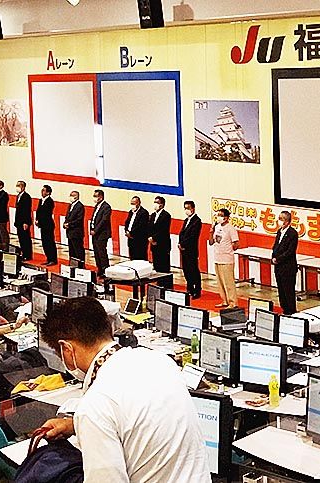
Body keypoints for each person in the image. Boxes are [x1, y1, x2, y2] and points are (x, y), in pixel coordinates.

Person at [37, 297, 211, 482]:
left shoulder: (95, 404)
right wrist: (76, 425)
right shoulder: (159, 360)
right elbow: (141, 422)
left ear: (66, 349)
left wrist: (86, 422)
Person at [209, 208, 240, 309]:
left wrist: (229, 248)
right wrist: (211, 232)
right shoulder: (217, 227)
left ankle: (233, 302)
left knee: (228, 282)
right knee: (220, 282)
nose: (218, 217)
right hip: (217, 257)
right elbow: (211, 242)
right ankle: (224, 300)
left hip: (227, 259)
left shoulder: (231, 229)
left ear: (226, 218)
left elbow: (236, 244)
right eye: (218, 215)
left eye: (221, 215)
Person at [271, 211, 298, 315]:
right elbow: (276, 246)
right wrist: (273, 257)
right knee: (281, 291)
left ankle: (291, 311)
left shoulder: (292, 233)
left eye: (281, 219)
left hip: (288, 267)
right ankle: (285, 310)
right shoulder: (279, 231)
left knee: (288, 291)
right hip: (278, 267)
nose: (279, 221)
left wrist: (278, 259)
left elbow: (290, 251)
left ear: (287, 221)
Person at [178, 200, 202, 299]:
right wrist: (180, 243)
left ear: (193, 209)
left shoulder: (197, 221)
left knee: (193, 270)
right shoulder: (186, 220)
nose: (186, 210)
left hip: (191, 249)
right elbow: (182, 233)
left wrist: (184, 244)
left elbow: (193, 236)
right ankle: (189, 288)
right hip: (183, 249)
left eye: (188, 208)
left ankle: (197, 290)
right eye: (185, 208)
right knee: (186, 269)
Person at [149, 196, 172, 286]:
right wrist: (150, 238)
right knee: (156, 265)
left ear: (162, 205)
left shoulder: (166, 215)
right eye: (154, 202)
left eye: (157, 202)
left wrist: (155, 238)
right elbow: (149, 227)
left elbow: (163, 230)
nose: (155, 204)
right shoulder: (153, 215)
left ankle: (166, 285)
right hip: (154, 245)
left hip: (163, 244)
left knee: (164, 266)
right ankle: (159, 284)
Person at [90, 189, 112, 276]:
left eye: (96, 196)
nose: (94, 198)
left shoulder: (106, 207)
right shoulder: (97, 206)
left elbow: (104, 221)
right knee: (96, 252)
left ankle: (105, 270)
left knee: (102, 253)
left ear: (101, 197)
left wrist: (95, 230)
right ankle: (99, 269)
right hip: (94, 233)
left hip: (102, 234)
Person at [36, 185, 58, 266]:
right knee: (44, 243)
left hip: (48, 225)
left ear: (48, 192)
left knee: (50, 242)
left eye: (44, 190)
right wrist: (37, 220)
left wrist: (41, 220)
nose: (42, 191)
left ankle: (53, 259)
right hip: (42, 225)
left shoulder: (49, 201)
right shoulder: (41, 200)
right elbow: (38, 211)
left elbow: (46, 213)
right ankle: (48, 258)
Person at [124, 196, 150, 261]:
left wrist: (131, 233)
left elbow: (141, 226)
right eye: (131, 203)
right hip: (130, 239)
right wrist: (126, 231)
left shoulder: (144, 213)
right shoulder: (131, 212)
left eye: (133, 203)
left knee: (140, 257)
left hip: (139, 239)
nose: (132, 205)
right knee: (132, 256)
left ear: (138, 203)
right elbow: (127, 222)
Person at [63, 190, 86, 265]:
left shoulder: (80, 206)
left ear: (76, 196)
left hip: (76, 232)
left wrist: (69, 224)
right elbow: (67, 216)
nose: (70, 197)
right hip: (70, 232)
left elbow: (79, 219)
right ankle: (73, 264)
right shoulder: (70, 205)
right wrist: (65, 223)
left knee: (78, 249)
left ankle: (81, 265)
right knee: (71, 249)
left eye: (72, 195)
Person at [14, 180, 33, 261]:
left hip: (24, 222)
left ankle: (28, 255)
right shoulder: (18, 196)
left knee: (26, 239)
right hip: (19, 221)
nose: (17, 187)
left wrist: (26, 222)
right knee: (21, 239)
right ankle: (23, 253)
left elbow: (27, 211)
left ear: (23, 187)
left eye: (19, 185)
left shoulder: (26, 197)